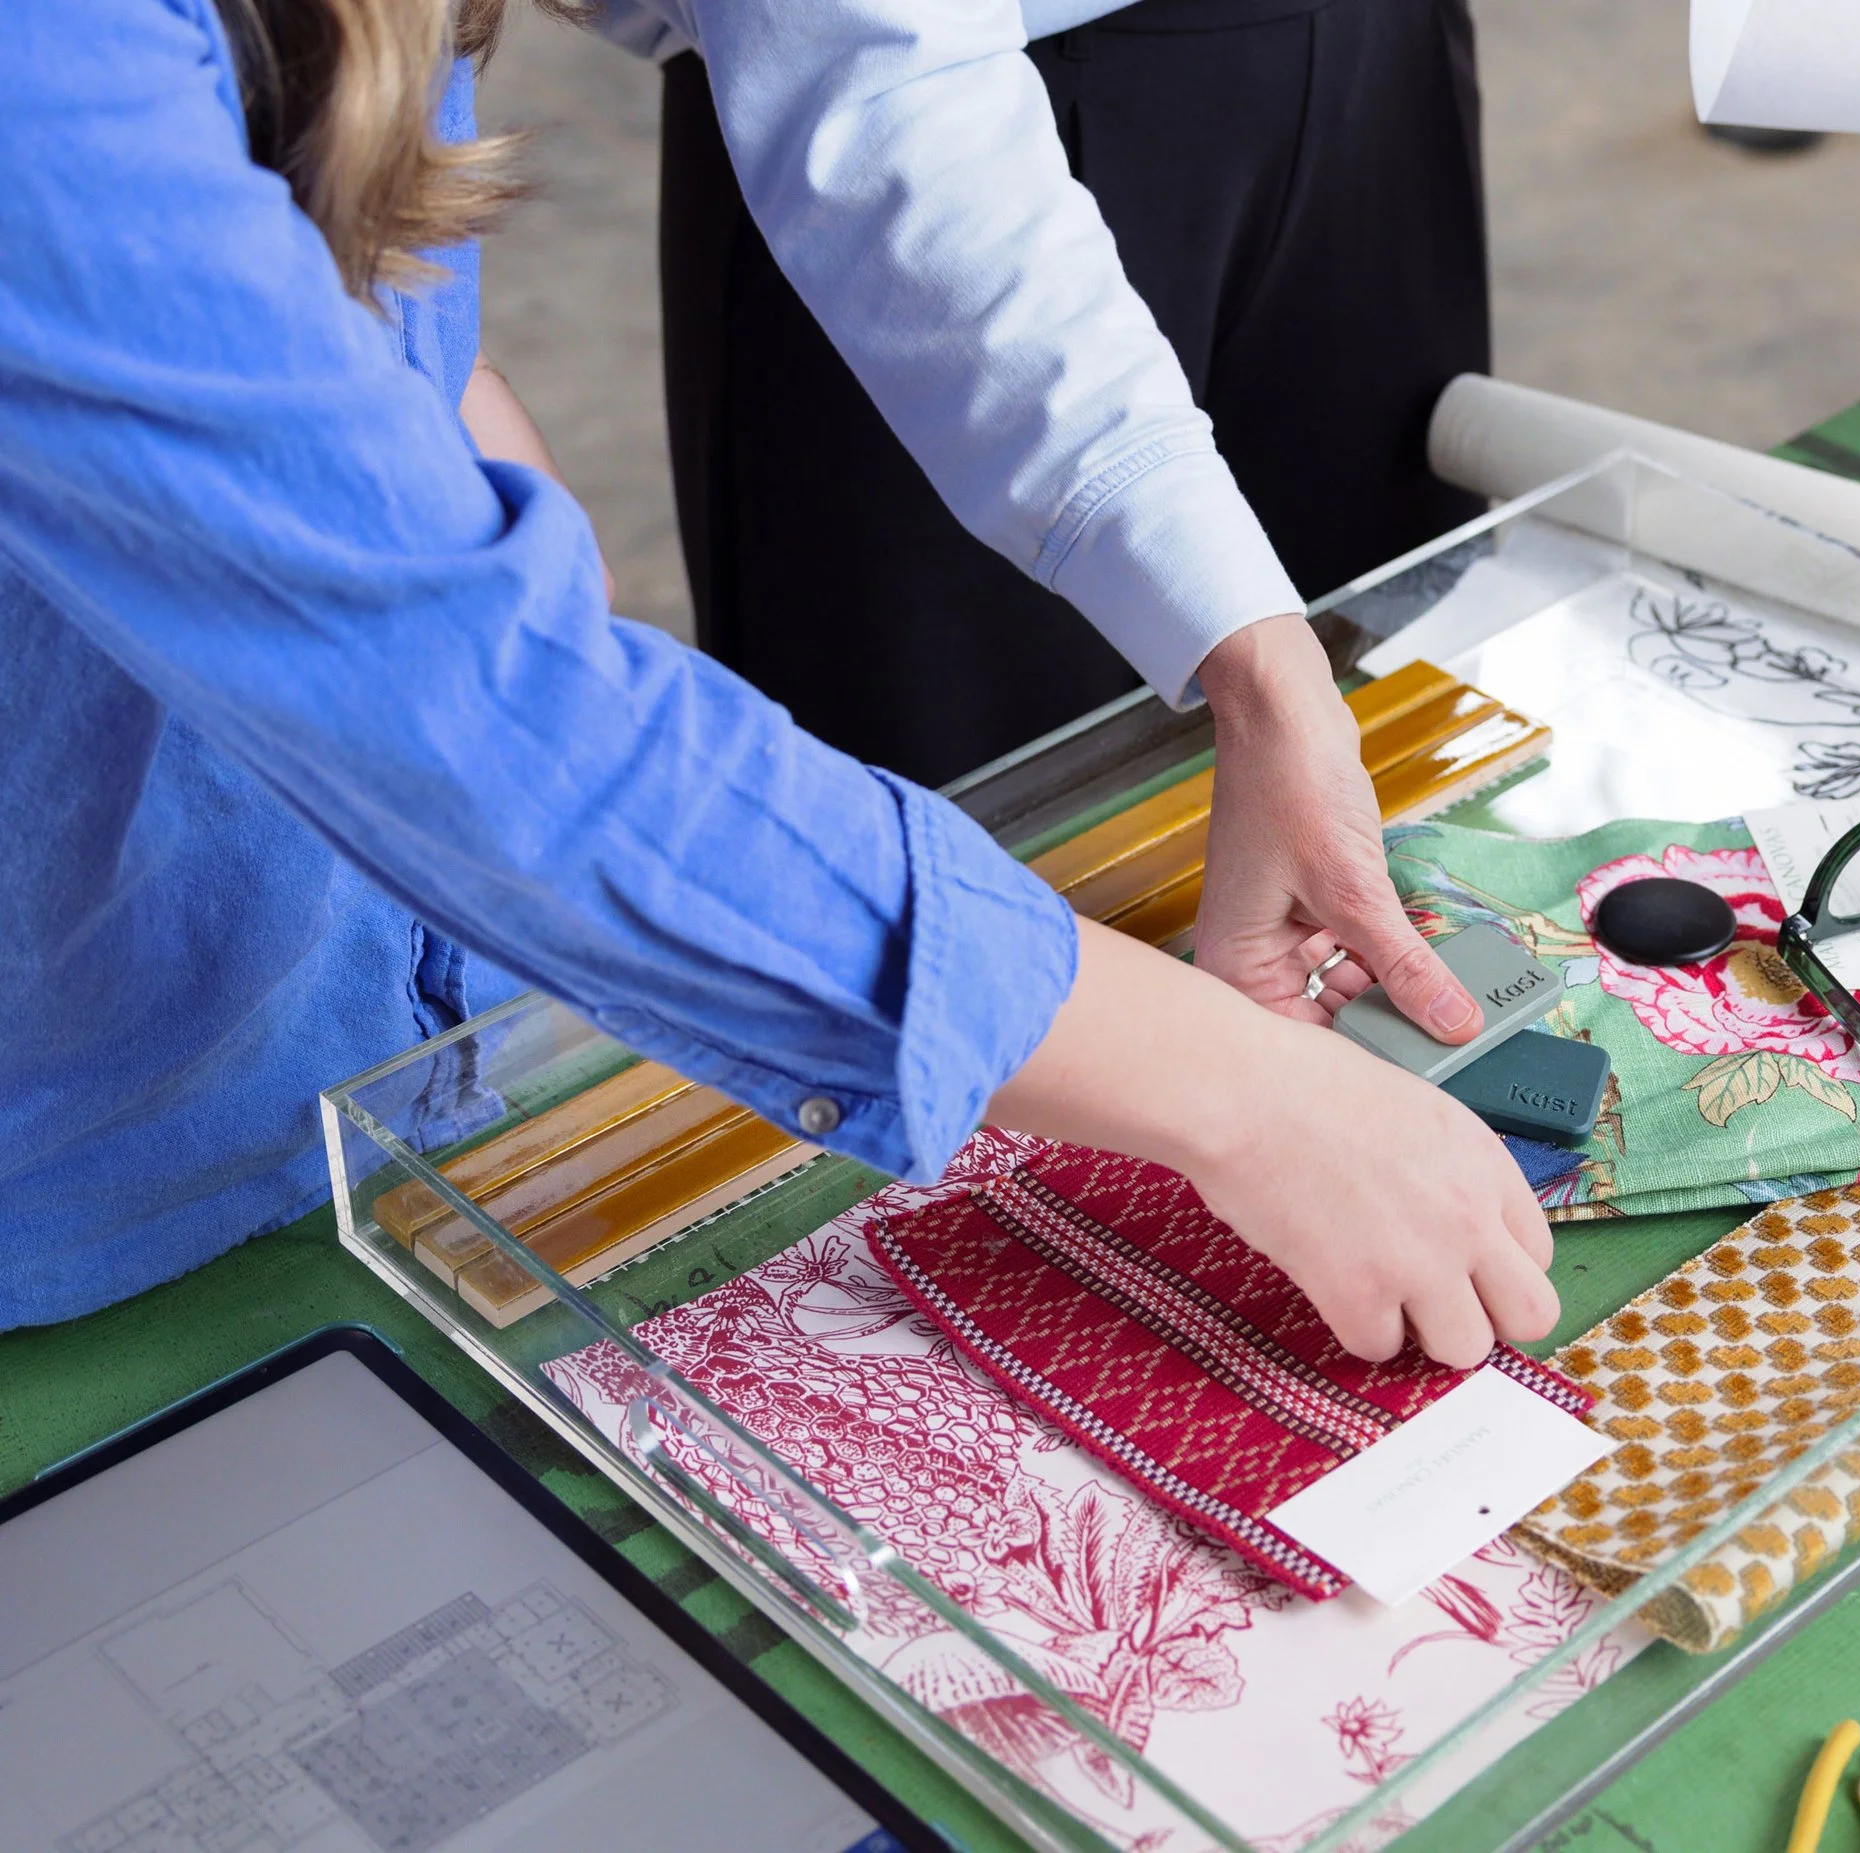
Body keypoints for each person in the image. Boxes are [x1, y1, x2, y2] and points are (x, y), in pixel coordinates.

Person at [0, 0, 1558, 1368]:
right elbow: (500, 726)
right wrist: (1245, 1096)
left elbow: (874, 65)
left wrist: (417, 395)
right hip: (90, 1175)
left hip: (399, 1041)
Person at [645, 0, 1493, 790]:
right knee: (972, 825)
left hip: (1379, 59)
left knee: (1422, 768)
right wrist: (1255, 660)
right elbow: (858, 56)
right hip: (932, 126)